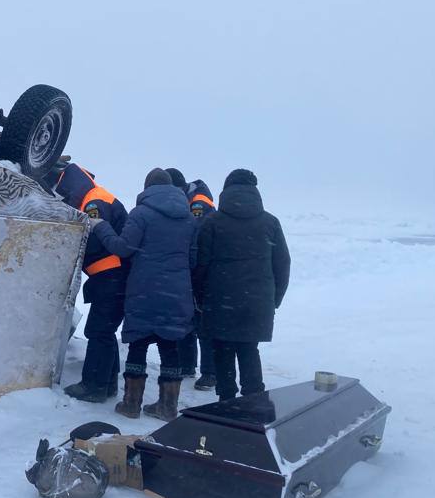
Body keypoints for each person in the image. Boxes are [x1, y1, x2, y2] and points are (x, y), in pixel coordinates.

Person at [90, 168, 196, 419]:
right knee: (170, 346)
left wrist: (101, 226)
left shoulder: (141, 214)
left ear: (147, 188)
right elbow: (193, 259)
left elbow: (122, 248)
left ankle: (131, 404)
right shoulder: (190, 219)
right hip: (176, 292)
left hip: (144, 289)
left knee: (138, 344)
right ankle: (167, 407)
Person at [193, 169, 290, 401]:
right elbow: (283, 264)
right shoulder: (270, 222)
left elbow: (200, 264)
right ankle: (254, 402)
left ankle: (227, 404)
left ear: (225, 191)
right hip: (257, 303)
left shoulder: (212, 222)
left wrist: (199, 297)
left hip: (219, 301)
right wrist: (274, 299)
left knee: (223, 351)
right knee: (249, 349)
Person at [55, 163, 129, 402]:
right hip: (114, 277)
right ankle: (108, 384)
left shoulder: (93, 203)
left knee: (98, 331)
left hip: (110, 277)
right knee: (105, 331)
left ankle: (93, 385)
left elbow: (97, 241)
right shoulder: (97, 195)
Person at [181, 177, 217, 390]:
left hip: (203, 271)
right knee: (188, 318)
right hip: (195, 269)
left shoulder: (198, 204)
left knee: (203, 323)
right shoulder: (192, 199)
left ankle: (209, 372)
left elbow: (196, 236)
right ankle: (186, 365)